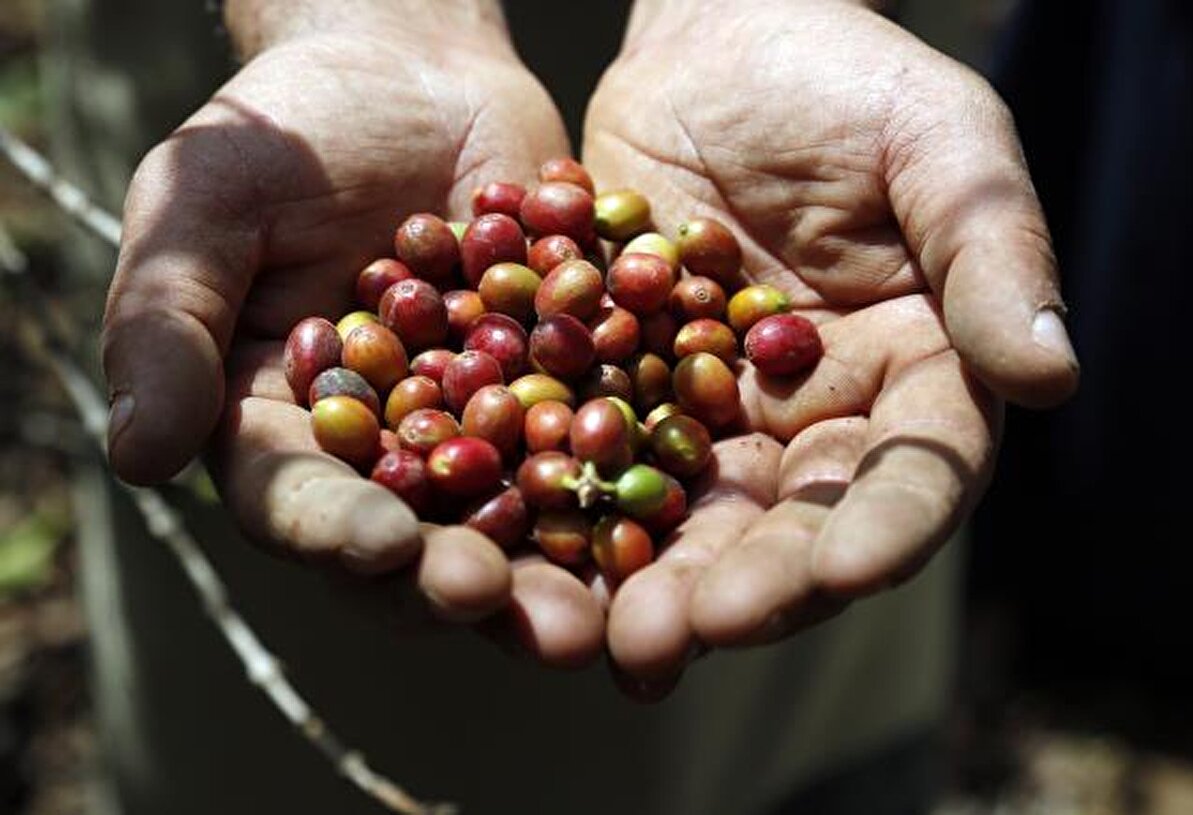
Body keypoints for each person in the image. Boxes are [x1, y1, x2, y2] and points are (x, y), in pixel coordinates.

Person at [87, 1, 1078, 813]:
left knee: (802, 687)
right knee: (314, 722)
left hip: (774, 185)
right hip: (304, 145)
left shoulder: (635, 335)